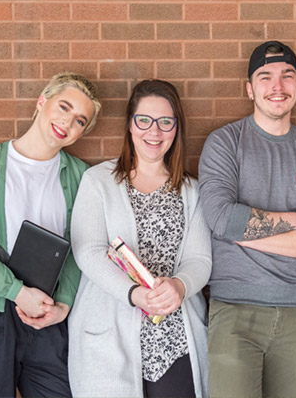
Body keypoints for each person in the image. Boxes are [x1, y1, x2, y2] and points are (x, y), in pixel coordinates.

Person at [198, 40, 296, 398]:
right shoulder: (224, 143)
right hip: (234, 311)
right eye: (265, 77)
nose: (277, 87)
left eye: (286, 76)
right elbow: (219, 216)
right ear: (249, 89)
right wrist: (295, 220)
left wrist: (240, 231)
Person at [0, 73, 101, 397]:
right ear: (42, 101)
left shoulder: (80, 176)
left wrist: (64, 305)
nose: (67, 122)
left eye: (79, 120)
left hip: (49, 322)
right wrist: (17, 292)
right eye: (63, 107)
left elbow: (79, 247)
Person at [68, 79, 211, 398]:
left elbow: (199, 260)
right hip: (109, 335)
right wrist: (133, 293)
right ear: (130, 125)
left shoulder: (192, 191)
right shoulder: (98, 181)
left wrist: (180, 286)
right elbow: (88, 251)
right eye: (144, 120)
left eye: (165, 122)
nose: (154, 131)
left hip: (175, 341)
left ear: (177, 128)